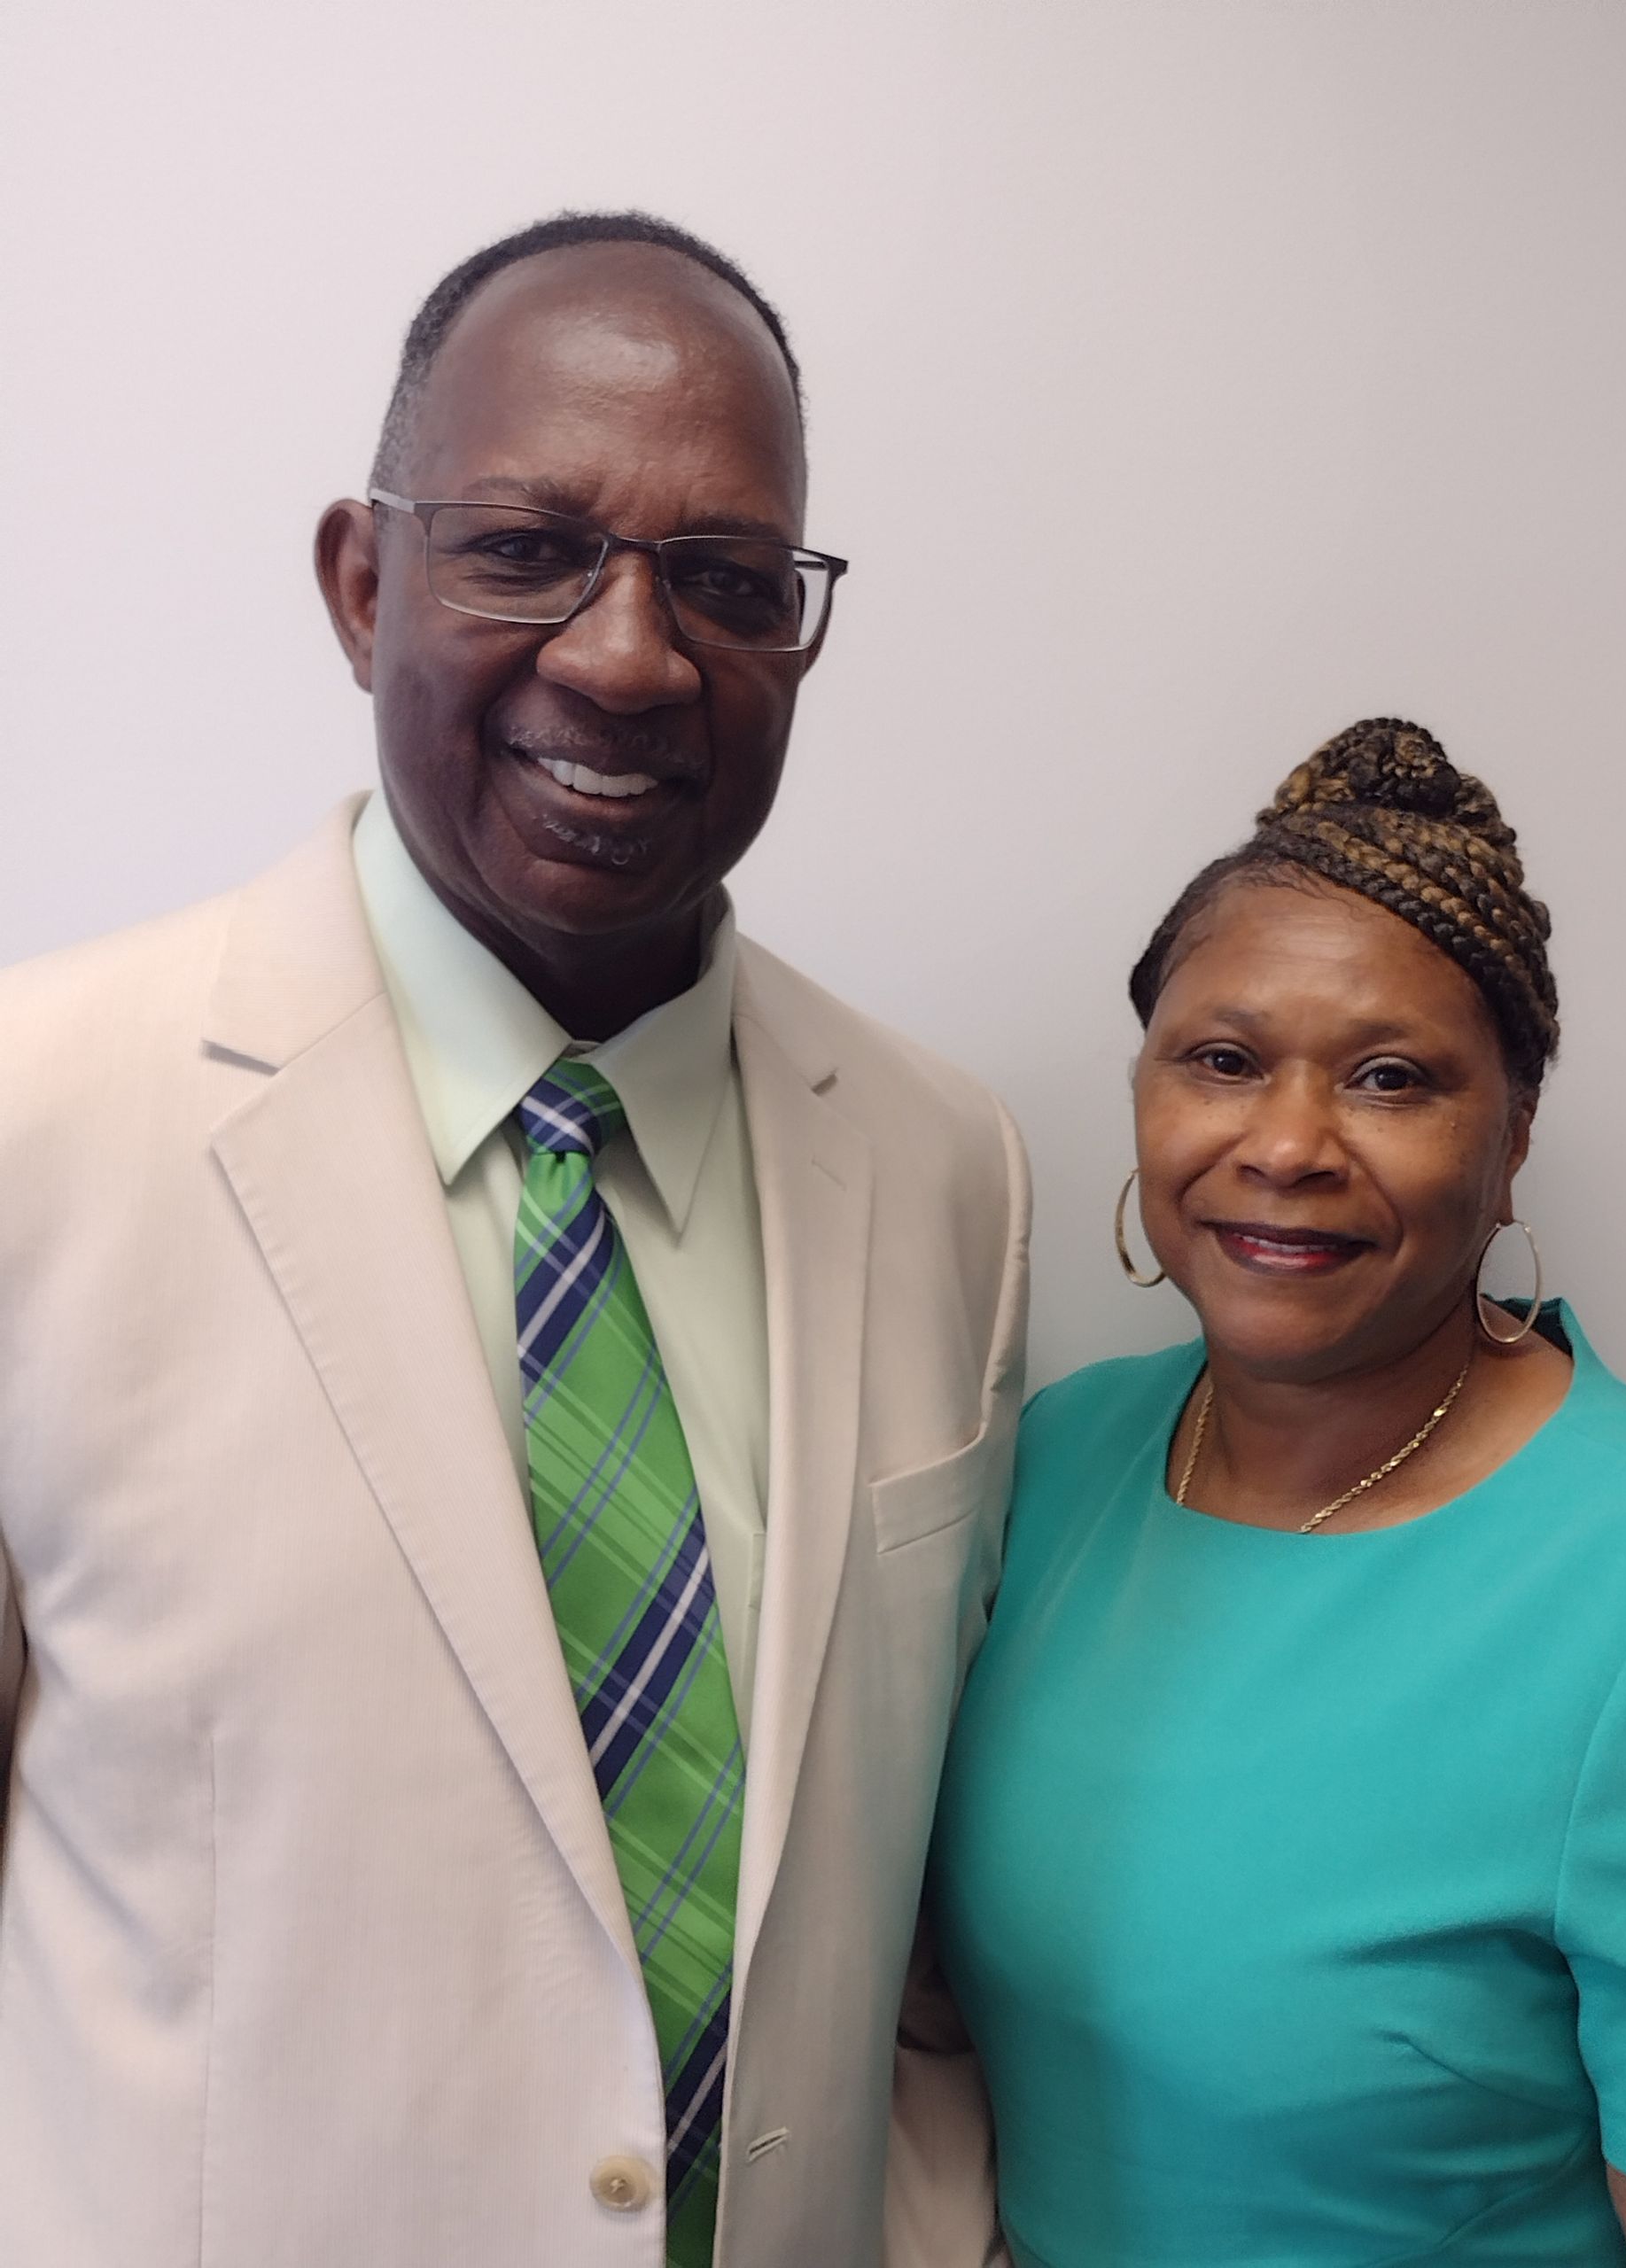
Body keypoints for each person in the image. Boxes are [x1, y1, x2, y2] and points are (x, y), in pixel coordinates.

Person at [0, 212, 1027, 2268]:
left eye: (728, 582)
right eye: (527, 547)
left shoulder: (947, 1167)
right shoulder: (39, 1119)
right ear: (363, 582)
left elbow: (923, 1922)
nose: (629, 654)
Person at [931, 718, 1626, 2267]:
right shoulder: (1059, 1460)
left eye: (1392, 1079)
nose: (1285, 1145)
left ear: (1514, 1137)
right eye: (1222, 1061)